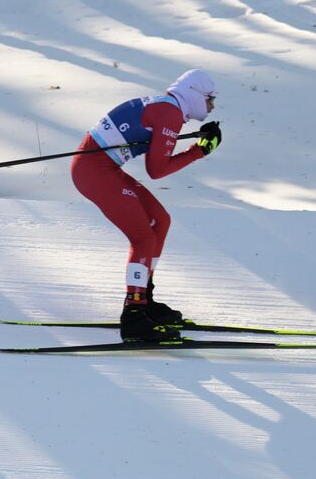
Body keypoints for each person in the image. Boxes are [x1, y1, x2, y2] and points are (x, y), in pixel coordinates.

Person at [70, 69, 222, 341]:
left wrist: (197, 145)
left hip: (99, 167)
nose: (211, 106)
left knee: (159, 220)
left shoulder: (167, 107)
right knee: (142, 236)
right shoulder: (170, 114)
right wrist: (200, 151)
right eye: (210, 98)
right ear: (195, 94)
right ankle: (134, 315)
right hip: (95, 170)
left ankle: (145, 299)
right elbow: (157, 170)